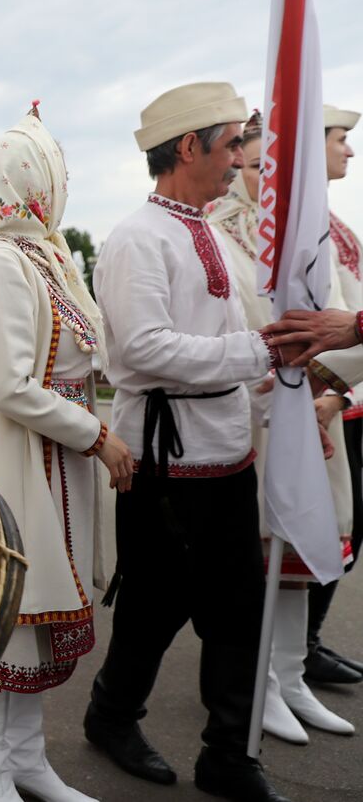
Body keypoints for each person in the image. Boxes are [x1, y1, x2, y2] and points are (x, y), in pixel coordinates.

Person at [84, 82, 288, 802]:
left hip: (225, 449)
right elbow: (142, 351)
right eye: (231, 142)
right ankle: (110, 714)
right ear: (188, 147)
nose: (241, 157)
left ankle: (228, 754)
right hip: (165, 461)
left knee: (238, 611)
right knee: (151, 609)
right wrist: (258, 355)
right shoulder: (137, 237)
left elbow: (220, 339)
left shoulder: (204, 227)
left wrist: (265, 386)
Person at [0, 105, 134, 802]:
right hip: (18, 463)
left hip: (52, 463)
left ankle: (25, 760)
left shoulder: (45, 252)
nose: (64, 183)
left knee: (39, 626)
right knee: (10, 624)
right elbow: (8, 384)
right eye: (56, 169)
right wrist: (97, 433)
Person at [204, 110, 356, 744]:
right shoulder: (217, 231)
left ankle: (291, 678)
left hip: (307, 400)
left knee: (301, 549)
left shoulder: (308, 234)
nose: (267, 178)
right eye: (257, 164)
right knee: (262, 553)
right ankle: (260, 683)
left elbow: (343, 313)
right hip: (254, 407)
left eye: (278, 168)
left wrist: (333, 387)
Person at [304, 104, 363, 687]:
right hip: (315, 397)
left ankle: (299, 654)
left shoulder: (335, 226)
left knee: (345, 527)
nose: (349, 151)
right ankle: (288, 656)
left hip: (342, 394)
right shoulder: (292, 225)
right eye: (341, 138)